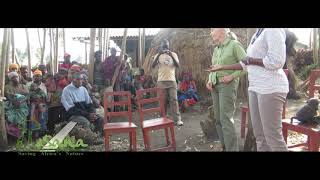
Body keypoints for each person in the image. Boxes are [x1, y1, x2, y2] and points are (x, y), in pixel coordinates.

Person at [206, 28, 289, 151]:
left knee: (272, 137)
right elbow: (244, 63)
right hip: (255, 87)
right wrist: (222, 67)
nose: (211, 32)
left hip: (270, 88)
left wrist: (250, 61)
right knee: (260, 136)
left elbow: (277, 61)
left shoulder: (273, 30)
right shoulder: (257, 33)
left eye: (213, 29)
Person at [205, 28, 246, 151]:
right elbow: (214, 68)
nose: (210, 33)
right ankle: (225, 147)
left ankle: (232, 149)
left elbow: (246, 65)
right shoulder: (216, 49)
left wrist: (231, 76)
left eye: (212, 30)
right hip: (215, 86)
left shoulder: (235, 45)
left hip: (227, 86)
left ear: (221, 31)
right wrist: (209, 79)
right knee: (218, 119)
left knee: (226, 119)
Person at [61, 72, 104, 136]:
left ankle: (98, 136)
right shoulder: (67, 90)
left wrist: (92, 113)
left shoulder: (83, 89)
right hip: (72, 115)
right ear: (73, 79)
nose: (81, 81)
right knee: (85, 122)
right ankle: (91, 138)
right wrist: (87, 115)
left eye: (81, 79)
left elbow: (90, 104)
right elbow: (71, 110)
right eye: (78, 79)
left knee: (100, 119)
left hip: (84, 114)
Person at [151, 39, 183, 126]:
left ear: (169, 46)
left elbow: (178, 66)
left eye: (166, 45)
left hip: (172, 80)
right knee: (162, 101)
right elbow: (152, 66)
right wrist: (158, 55)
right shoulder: (158, 55)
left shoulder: (174, 54)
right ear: (161, 46)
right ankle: (163, 119)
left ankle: (177, 120)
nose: (165, 47)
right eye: (163, 45)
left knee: (174, 100)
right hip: (161, 81)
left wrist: (171, 55)